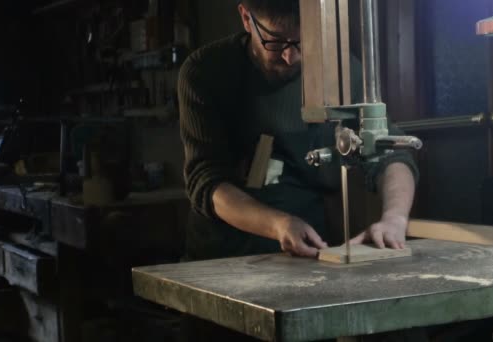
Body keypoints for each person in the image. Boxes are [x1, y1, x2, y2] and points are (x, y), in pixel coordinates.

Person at [178, 0, 418, 263]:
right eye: (276, 41)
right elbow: (207, 182)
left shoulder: (338, 71)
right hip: (223, 259)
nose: (290, 57)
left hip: (309, 254)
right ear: (247, 18)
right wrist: (279, 224)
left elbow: (390, 155)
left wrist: (394, 219)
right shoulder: (205, 72)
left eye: (302, 41)